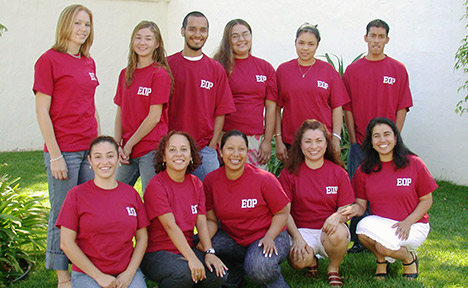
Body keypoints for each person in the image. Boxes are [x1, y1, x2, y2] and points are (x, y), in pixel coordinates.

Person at [33, 4, 99, 286]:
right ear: (65, 26)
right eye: (78, 23)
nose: (83, 29)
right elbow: (41, 111)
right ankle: (63, 276)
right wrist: (56, 155)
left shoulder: (88, 62)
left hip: (88, 150)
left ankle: (83, 267)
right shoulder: (48, 60)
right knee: (62, 214)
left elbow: (90, 104)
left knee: (87, 211)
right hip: (65, 151)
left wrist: (99, 144)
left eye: (87, 24)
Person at [343, 19, 413, 253]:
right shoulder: (353, 71)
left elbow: (402, 107)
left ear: (387, 40)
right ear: (366, 38)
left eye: (381, 37)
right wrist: (353, 139)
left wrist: (394, 139)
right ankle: (357, 238)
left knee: (385, 190)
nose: (376, 41)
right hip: (360, 142)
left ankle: (385, 234)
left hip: (387, 144)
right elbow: (347, 108)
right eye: (372, 36)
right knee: (358, 190)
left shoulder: (398, 69)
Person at [340, 117, 437, 280]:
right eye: (376, 136)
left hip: (413, 224)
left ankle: (408, 258)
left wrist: (408, 221)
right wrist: (347, 211)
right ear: (370, 142)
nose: (382, 140)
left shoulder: (414, 163)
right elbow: (361, 206)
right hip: (381, 223)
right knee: (362, 230)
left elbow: (427, 200)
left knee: (383, 246)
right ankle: (381, 260)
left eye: (387, 134)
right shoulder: (365, 169)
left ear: (396, 138)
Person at [56, 136, 149, 288]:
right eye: (98, 157)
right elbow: (66, 243)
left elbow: (142, 237)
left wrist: (130, 272)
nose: (104, 162)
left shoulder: (131, 194)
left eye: (110, 156)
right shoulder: (76, 195)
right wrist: (98, 276)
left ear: (119, 158)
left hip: (126, 272)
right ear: (90, 161)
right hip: (88, 273)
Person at [204, 130, 291, 287]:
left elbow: (282, 212)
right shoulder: (211, 181)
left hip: (269, 235)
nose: (235, 154)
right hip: (233, 238)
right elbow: (210, 218)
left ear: (247, 152)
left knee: (259, 268)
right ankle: (236, 272)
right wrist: (205, 245)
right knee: (201, 247)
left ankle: (268, 274)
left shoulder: (263, 179)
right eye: (230, 148)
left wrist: (270, 236)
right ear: (221, 151)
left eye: (241, 149)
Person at [141, 131, 227, 288]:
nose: (178, 154)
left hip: (186, 248)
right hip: (157, 253)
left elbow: (201, 222)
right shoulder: (157, 186)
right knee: (184, 273)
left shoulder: (196, 183)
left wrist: (209, 252)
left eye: (184, 149)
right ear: (164, 157)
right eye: (172, 150)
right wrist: (192, 258)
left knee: (218, 275)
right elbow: (170, 226)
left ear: (191, 156)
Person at [279, 119, 354, 287]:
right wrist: (297, 238)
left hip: (329, 230)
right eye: (308, 141)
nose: (314, 146)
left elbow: (347, 206)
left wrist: (337, 216)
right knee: (297, 261)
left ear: (326, 144)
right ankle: (311, 261)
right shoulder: (289, 173)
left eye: (319, 141)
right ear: (300, 144)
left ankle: (333, 269)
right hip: (302, 230)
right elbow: (284, 212)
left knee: (339, 234)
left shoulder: (338, 172)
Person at [167, 11, 236, 181]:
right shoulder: (167, 66)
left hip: (205, 150)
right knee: (174, 197)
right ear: (183, 31)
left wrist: (212, 145)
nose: (198, 35)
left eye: (203, 30)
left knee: (209, 200)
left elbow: (221, 110)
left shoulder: (215, 69)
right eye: (192, 29)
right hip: (173, 149)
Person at [275, 23, 349, 163]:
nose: (305, 48)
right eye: (301, 43)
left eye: (311, 44)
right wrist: (278, 140)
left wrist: (335, 138)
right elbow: (276, 109)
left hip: (321, 142)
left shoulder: (328, 71)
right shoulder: (283, 71)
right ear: (295, 43)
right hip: (292, 141)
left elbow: (337, 107)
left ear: (317, 45)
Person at [114, 20, 171, 193]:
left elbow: (154, 117)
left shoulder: (159, 74)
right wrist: (117, 144)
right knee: (114, 191)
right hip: (128, 150)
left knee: (152, 197)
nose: (142, 42)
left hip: (151, 149)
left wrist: (129, 144)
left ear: (157, 43)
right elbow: (120, 111)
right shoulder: (125, 74)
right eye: (138, 38)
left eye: (148, 38)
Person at [213, 19, 277, 170]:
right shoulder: (218, 66)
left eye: (245, 34)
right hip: (225, 136)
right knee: (227, 183)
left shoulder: (265, 68)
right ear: (228, 40)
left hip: (254, 139)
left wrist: (267, 140)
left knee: (257, 183)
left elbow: (271, 108)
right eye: (235, 36)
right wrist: (215, 140)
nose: (241, 40)